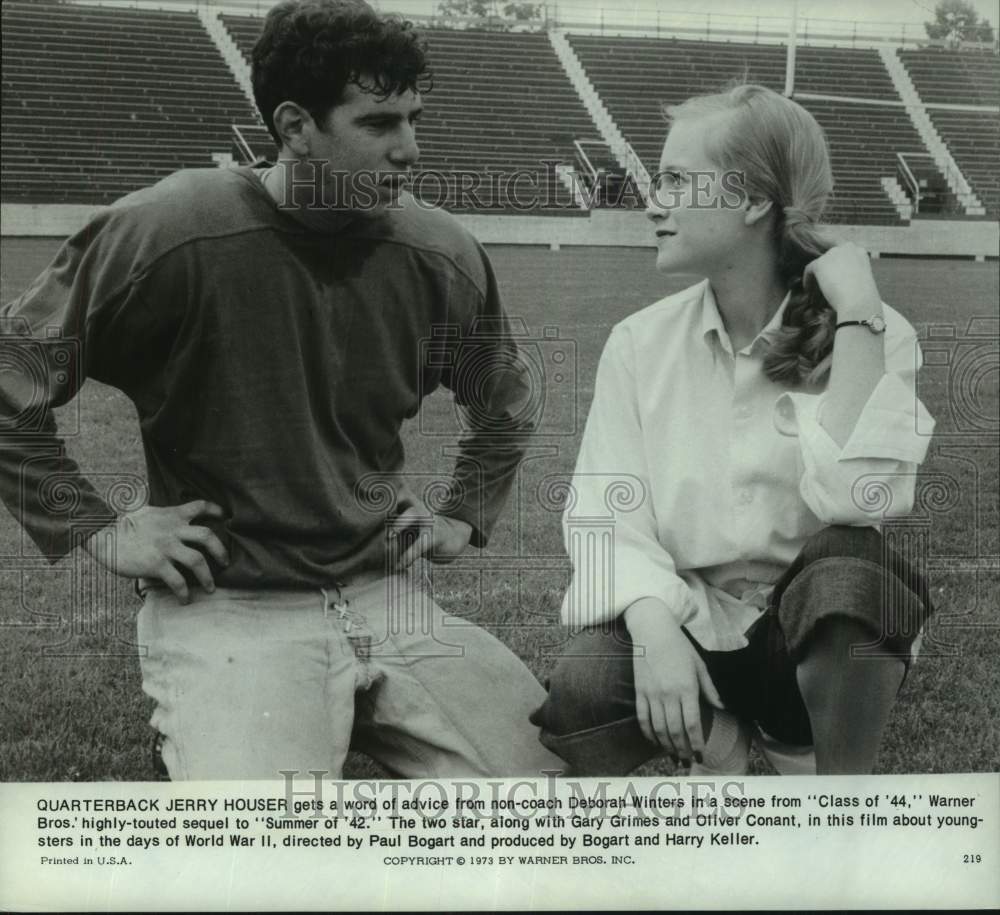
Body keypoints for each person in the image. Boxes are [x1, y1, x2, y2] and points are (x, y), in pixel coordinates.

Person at [0, 0, 563, 780]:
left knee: (556, 792)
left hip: (382, 589)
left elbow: (506, 399)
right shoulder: (170, 230)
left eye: (413, 118)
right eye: (378, 124)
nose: (410, 150)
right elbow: (8, 379)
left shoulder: (440, 252)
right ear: (296, 125)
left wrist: (463, 514)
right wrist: (102, 528)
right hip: (230, 603)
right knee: (266, 848)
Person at [530, 84, 936, 776]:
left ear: (751, 200)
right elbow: (603, 514)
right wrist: (655, 629)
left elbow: (857, 499)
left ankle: (837, 804)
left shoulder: (874, 333)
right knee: (586, 684)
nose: (655, 200)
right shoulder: (640, 342)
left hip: (806, 634)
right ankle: (732, 751)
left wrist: (860, 312)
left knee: (851, 568)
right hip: (690, 619)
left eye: (679, 181)